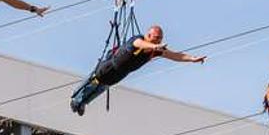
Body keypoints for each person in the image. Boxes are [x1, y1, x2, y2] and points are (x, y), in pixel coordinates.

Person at [71, 25, 206, 114]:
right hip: (110, 66)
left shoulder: (157, 50)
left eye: (160, 39)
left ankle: (82, 103)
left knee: (103, 87)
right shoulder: (138, 39)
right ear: (149, 35)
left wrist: (192, 59)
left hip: (121, 73)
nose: (158, 41)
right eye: (156, 38)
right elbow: (138, 44)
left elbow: (176, 55)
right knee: (96, 81)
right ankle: (76, 99)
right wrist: (154, 47)